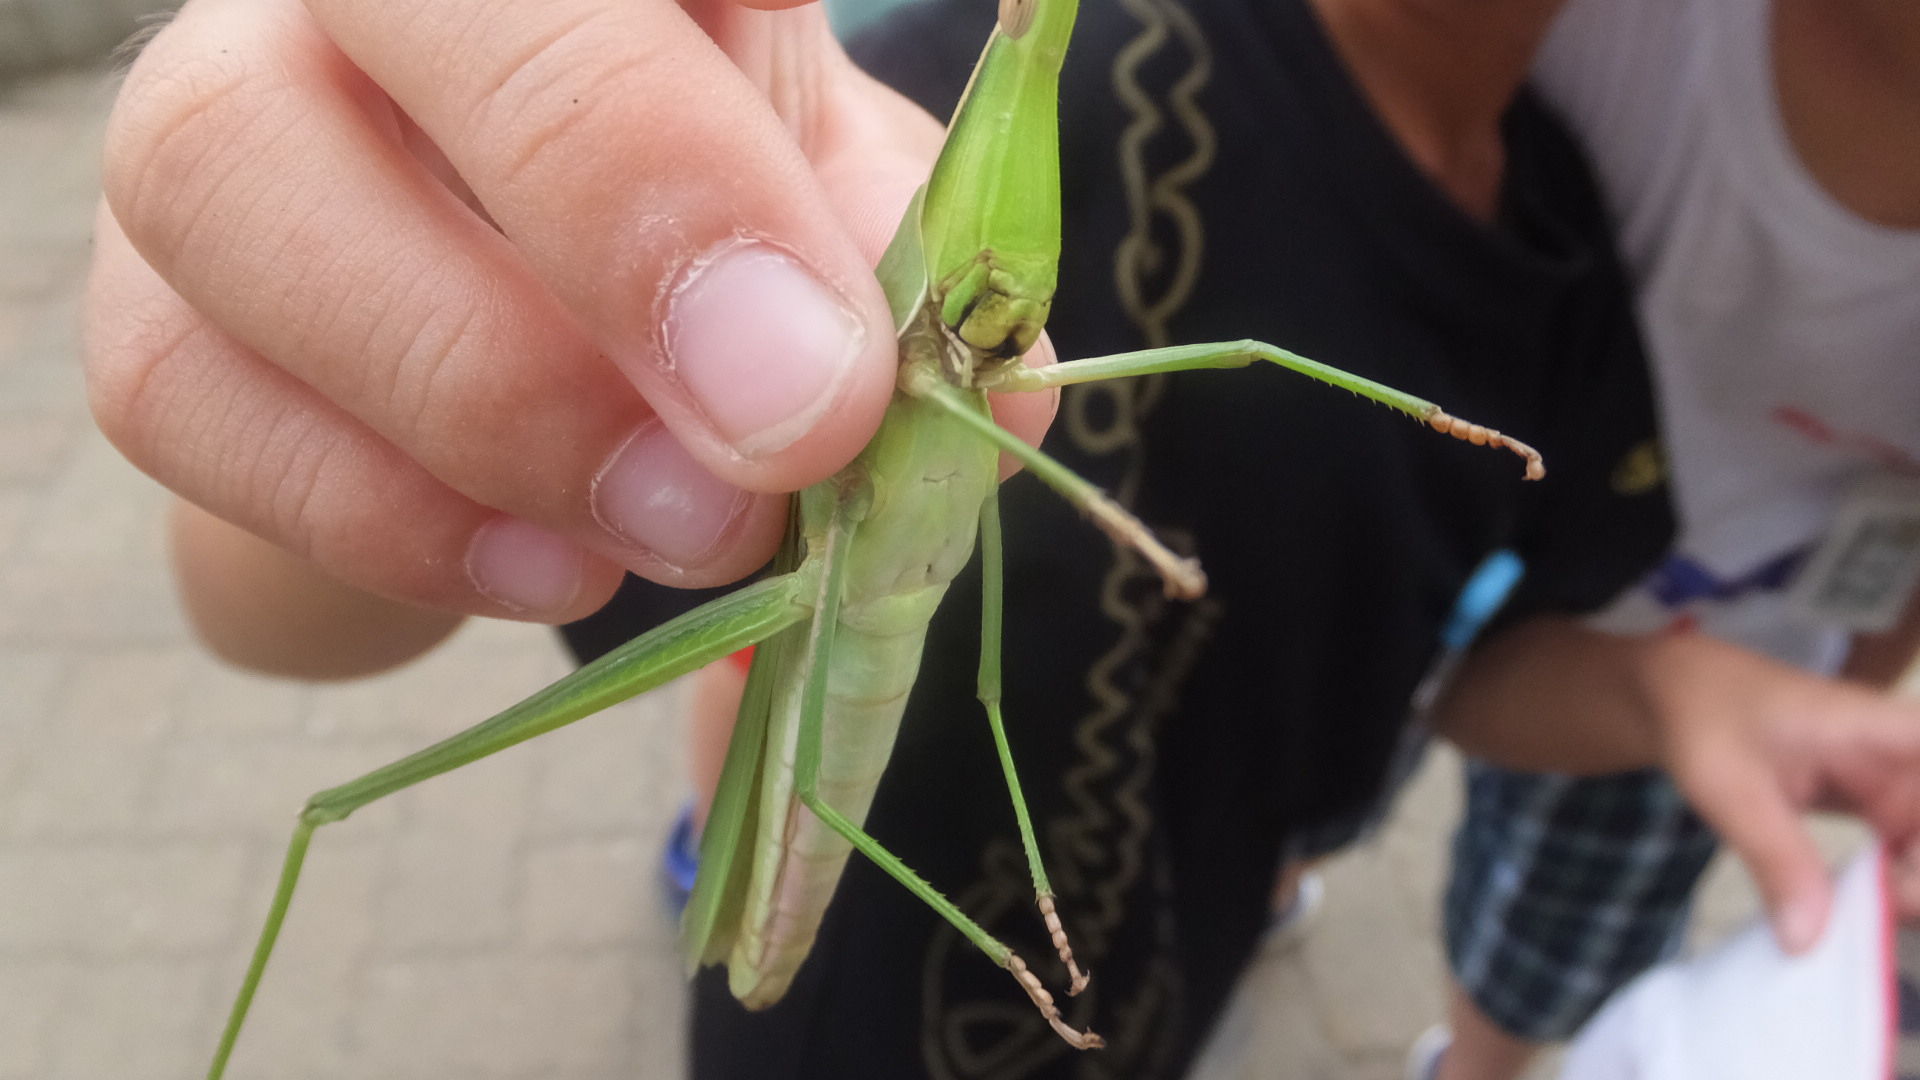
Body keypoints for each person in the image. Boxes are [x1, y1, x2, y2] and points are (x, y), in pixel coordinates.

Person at [82, 1, 1914, 1079]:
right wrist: (399, 284)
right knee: (340, 809)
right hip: (831, 841)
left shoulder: (1573, 256)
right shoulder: (928, 91)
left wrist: (1685, 693)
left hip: (1145, 985)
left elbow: (1466, 654)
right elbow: (264, 612)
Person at [1416, 1, 1920, 1077]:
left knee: (1540, 960)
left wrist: (1855, 686)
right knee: (1304, 776)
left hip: (1732, 681)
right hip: (1427, 535)